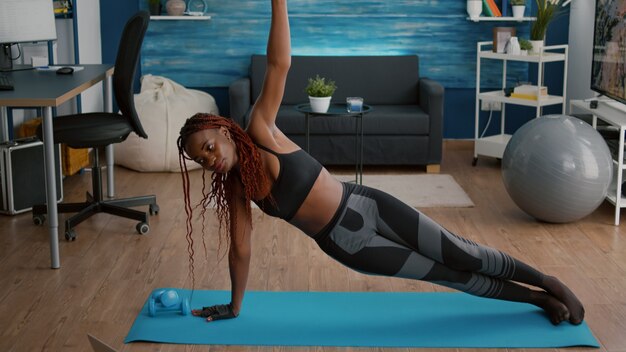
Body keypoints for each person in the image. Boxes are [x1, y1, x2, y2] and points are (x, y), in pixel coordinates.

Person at [176, 0, 584, 326]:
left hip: (368, 202)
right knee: (450, 275)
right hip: (351, 244)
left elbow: (279, 65)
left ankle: (547, 282)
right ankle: (537, 300)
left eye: (208, 147)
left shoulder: (259, 129)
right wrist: (234, 305)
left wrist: (278, 2)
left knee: (462, 252)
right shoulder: (236, 187)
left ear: (223, 130)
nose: (209, 160)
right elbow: (241, 250)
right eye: (200, 159)